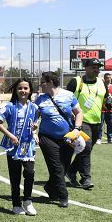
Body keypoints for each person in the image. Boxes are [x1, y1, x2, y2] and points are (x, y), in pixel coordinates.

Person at [34, 72, 84, 208]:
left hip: (68, 137)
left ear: (50, 82)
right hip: (47, 137)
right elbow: (34, 117)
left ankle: (50, 187)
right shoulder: (40, 99)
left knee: (63, 167)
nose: (40, 85)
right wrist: (34, 132)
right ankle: (63, 195)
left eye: (42, 82)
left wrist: (77, 128)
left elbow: (79, 112)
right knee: (56, 167)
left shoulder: (68, 95)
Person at [0, 78, 39, 215]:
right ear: (15, 90)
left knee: (30, 173)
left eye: (26, 88)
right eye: (20, 88)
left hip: (27, 146)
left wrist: (35, 131)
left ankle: (28, 201)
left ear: (30, 91)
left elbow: (34, 122)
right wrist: (11, 136)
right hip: (13, 146)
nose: (23, 91)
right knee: (15, 177)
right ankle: (16, 204)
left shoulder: (34, 107)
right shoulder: (9, 106)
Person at [65, 57, 106, 189]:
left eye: (98, 67)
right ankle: (86, 179)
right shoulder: (76, 82)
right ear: (86, 68)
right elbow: (65, 100)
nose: (96, 69)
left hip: (97, 121)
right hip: (81, 121)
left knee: (86, 149)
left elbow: (104, 99)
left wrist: (110, 104)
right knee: (86, 147)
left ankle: (71, 171)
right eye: (93, 67)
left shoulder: (101, 82)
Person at [101, 73, 112, 144]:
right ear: (104, 78)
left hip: (110, 109)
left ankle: (110, 138)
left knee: (111, 124)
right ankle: (99, 138)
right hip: (102, 109)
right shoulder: (101, 86)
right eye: (107, 78)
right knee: (100, 124)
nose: (109, 79)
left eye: (110, 78)